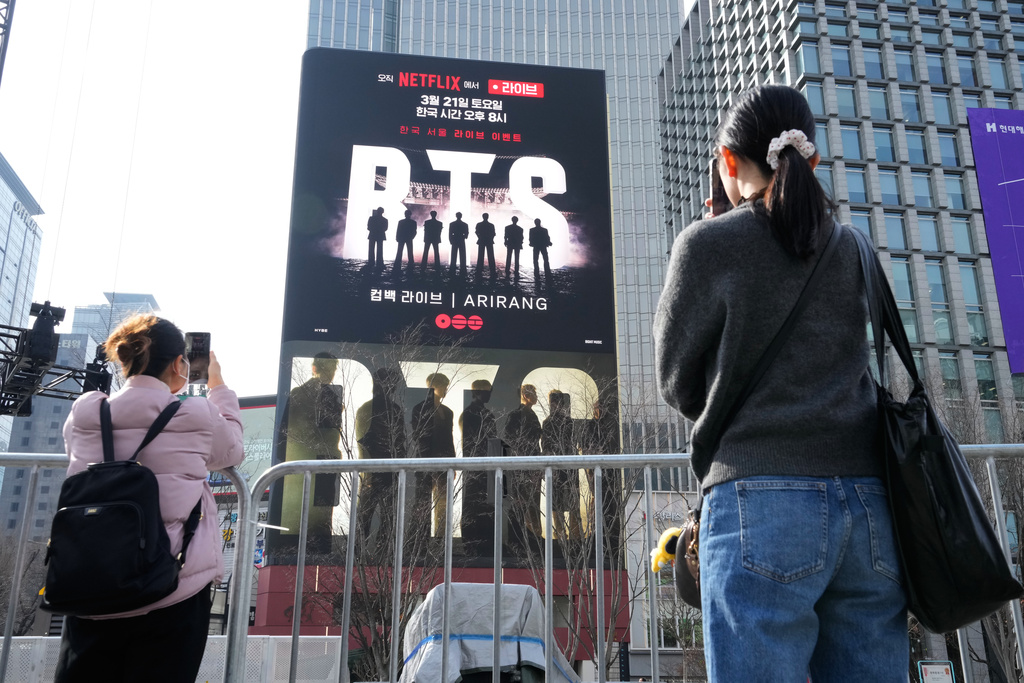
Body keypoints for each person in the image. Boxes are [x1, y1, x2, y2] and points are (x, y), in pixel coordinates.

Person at [653, 85, 907, 681]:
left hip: (759, 504)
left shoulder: (707, 245)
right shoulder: (853, 247)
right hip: (871, 506)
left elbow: (676, 382)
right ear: (811, 160)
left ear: (727, 161)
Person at [55, 314, 244, 682]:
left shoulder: (87, 412)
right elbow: (232, 451)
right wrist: (218, 387)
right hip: (169, 587)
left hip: (90, 582)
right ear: (179, 364)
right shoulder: (195, 413)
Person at [278, 353, 344, 553]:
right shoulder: (325, 395)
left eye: (332, 368)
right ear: (314, 368)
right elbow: (329, 435)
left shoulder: (299, 393)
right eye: (327, 368)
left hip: (303, 466)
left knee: (310, 518)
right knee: (320, 520)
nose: (330, 373)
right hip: (319, 464)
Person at [355, 368, 407, 540]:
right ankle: (366, 555)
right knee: (368, 518)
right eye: (391, 383)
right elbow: (362, 442)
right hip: (377, 472)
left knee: (382, 519)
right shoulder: (369, 409)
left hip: (385, 472)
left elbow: (400, 442)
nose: (392, 387)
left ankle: (375, 556)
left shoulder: (393, 409)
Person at [411, 373, 456, 537]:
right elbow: (418, 436)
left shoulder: (447, 412)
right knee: (422, 503)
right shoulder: (420, 409)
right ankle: (419, 540)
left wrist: (453, 463)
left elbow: (449, 438)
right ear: (434, 386)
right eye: (443, 385)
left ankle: (440, 539)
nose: (445, 389)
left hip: (444, 464)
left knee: (443, 504)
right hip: (426, 462)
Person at [458, 379, 497, 551]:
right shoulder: (471, 414)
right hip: (477, 467)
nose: (489, 394)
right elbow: (470, 443)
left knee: (483, 504)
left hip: (484, 467)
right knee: (474, 503)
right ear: (478, 392)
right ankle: (473, 543)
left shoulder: (482, 413)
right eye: (487, 391)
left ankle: (482, 542)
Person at [503, 384, 543, 539]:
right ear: (526, 395)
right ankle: (519, 537)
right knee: (521, 502)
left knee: (533, 502)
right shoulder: (516, 415)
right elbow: (509, 437)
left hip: (532, 465)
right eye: (533, 393)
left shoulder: (531, 415)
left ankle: (533, 536)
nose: (536, 396)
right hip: (523, 466)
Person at [541, 390, 580, 540]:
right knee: (559, 502)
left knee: (567, 501)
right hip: (563, 467)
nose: (554, 405)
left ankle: (567, 535)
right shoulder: (559, 422)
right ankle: (564, 535)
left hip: (562, 467)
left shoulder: (561, 422)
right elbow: (547, 445)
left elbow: (546, 446)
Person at [474, 212, 497, 279]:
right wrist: (490, 238)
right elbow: (493, 233)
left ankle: (479, 269)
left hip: (481, 240)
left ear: (483, 217)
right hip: (489, 241)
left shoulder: (479, 224)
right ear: (488, 217)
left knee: (480, 256)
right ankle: (492, 270)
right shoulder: (491, 225)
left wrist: (480, 237)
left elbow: (476, 232)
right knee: (491, 256)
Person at [529, 218, 552, 283]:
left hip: (536, 246)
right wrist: (549, 243)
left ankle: (536, 272)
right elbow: (547, 237)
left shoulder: (532, 230)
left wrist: (531, 243)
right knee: (545, 259)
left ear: (535, 223)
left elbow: (531, 238)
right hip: (543, 246)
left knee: (535, 259)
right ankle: (547, 271)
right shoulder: (544, 230)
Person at [448, 211, 469, 277]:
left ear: (456, 216)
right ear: (461, 216)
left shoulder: (452, 224)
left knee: (453, 254)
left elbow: (450, 233)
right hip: (461, 239)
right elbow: (467, 233)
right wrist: (464, 237)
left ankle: (452, 267)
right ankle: (463, 267)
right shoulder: (465, 224)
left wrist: (450, 240)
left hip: (455, 239)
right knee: (463, 254)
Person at [366, 207, 388, 271]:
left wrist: (374, 230)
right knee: (380, 249)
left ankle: (371, 261)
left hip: (372, 235)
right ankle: (379, 262)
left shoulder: (371, 218)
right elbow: (385, 228)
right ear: (382, 212)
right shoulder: (385, 220)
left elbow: (368, 227)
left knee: (371, 249)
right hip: (380, 235)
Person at [503, 216, 524, 280]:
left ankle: (507, 269)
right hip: (517, 244)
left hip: (510, 243)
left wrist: (505, 242)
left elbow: (505, 236)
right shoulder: (520, 229)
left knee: (509, 256)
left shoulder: (507, 228)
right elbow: (521, 237)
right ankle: (516, 270)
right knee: (517, 257)